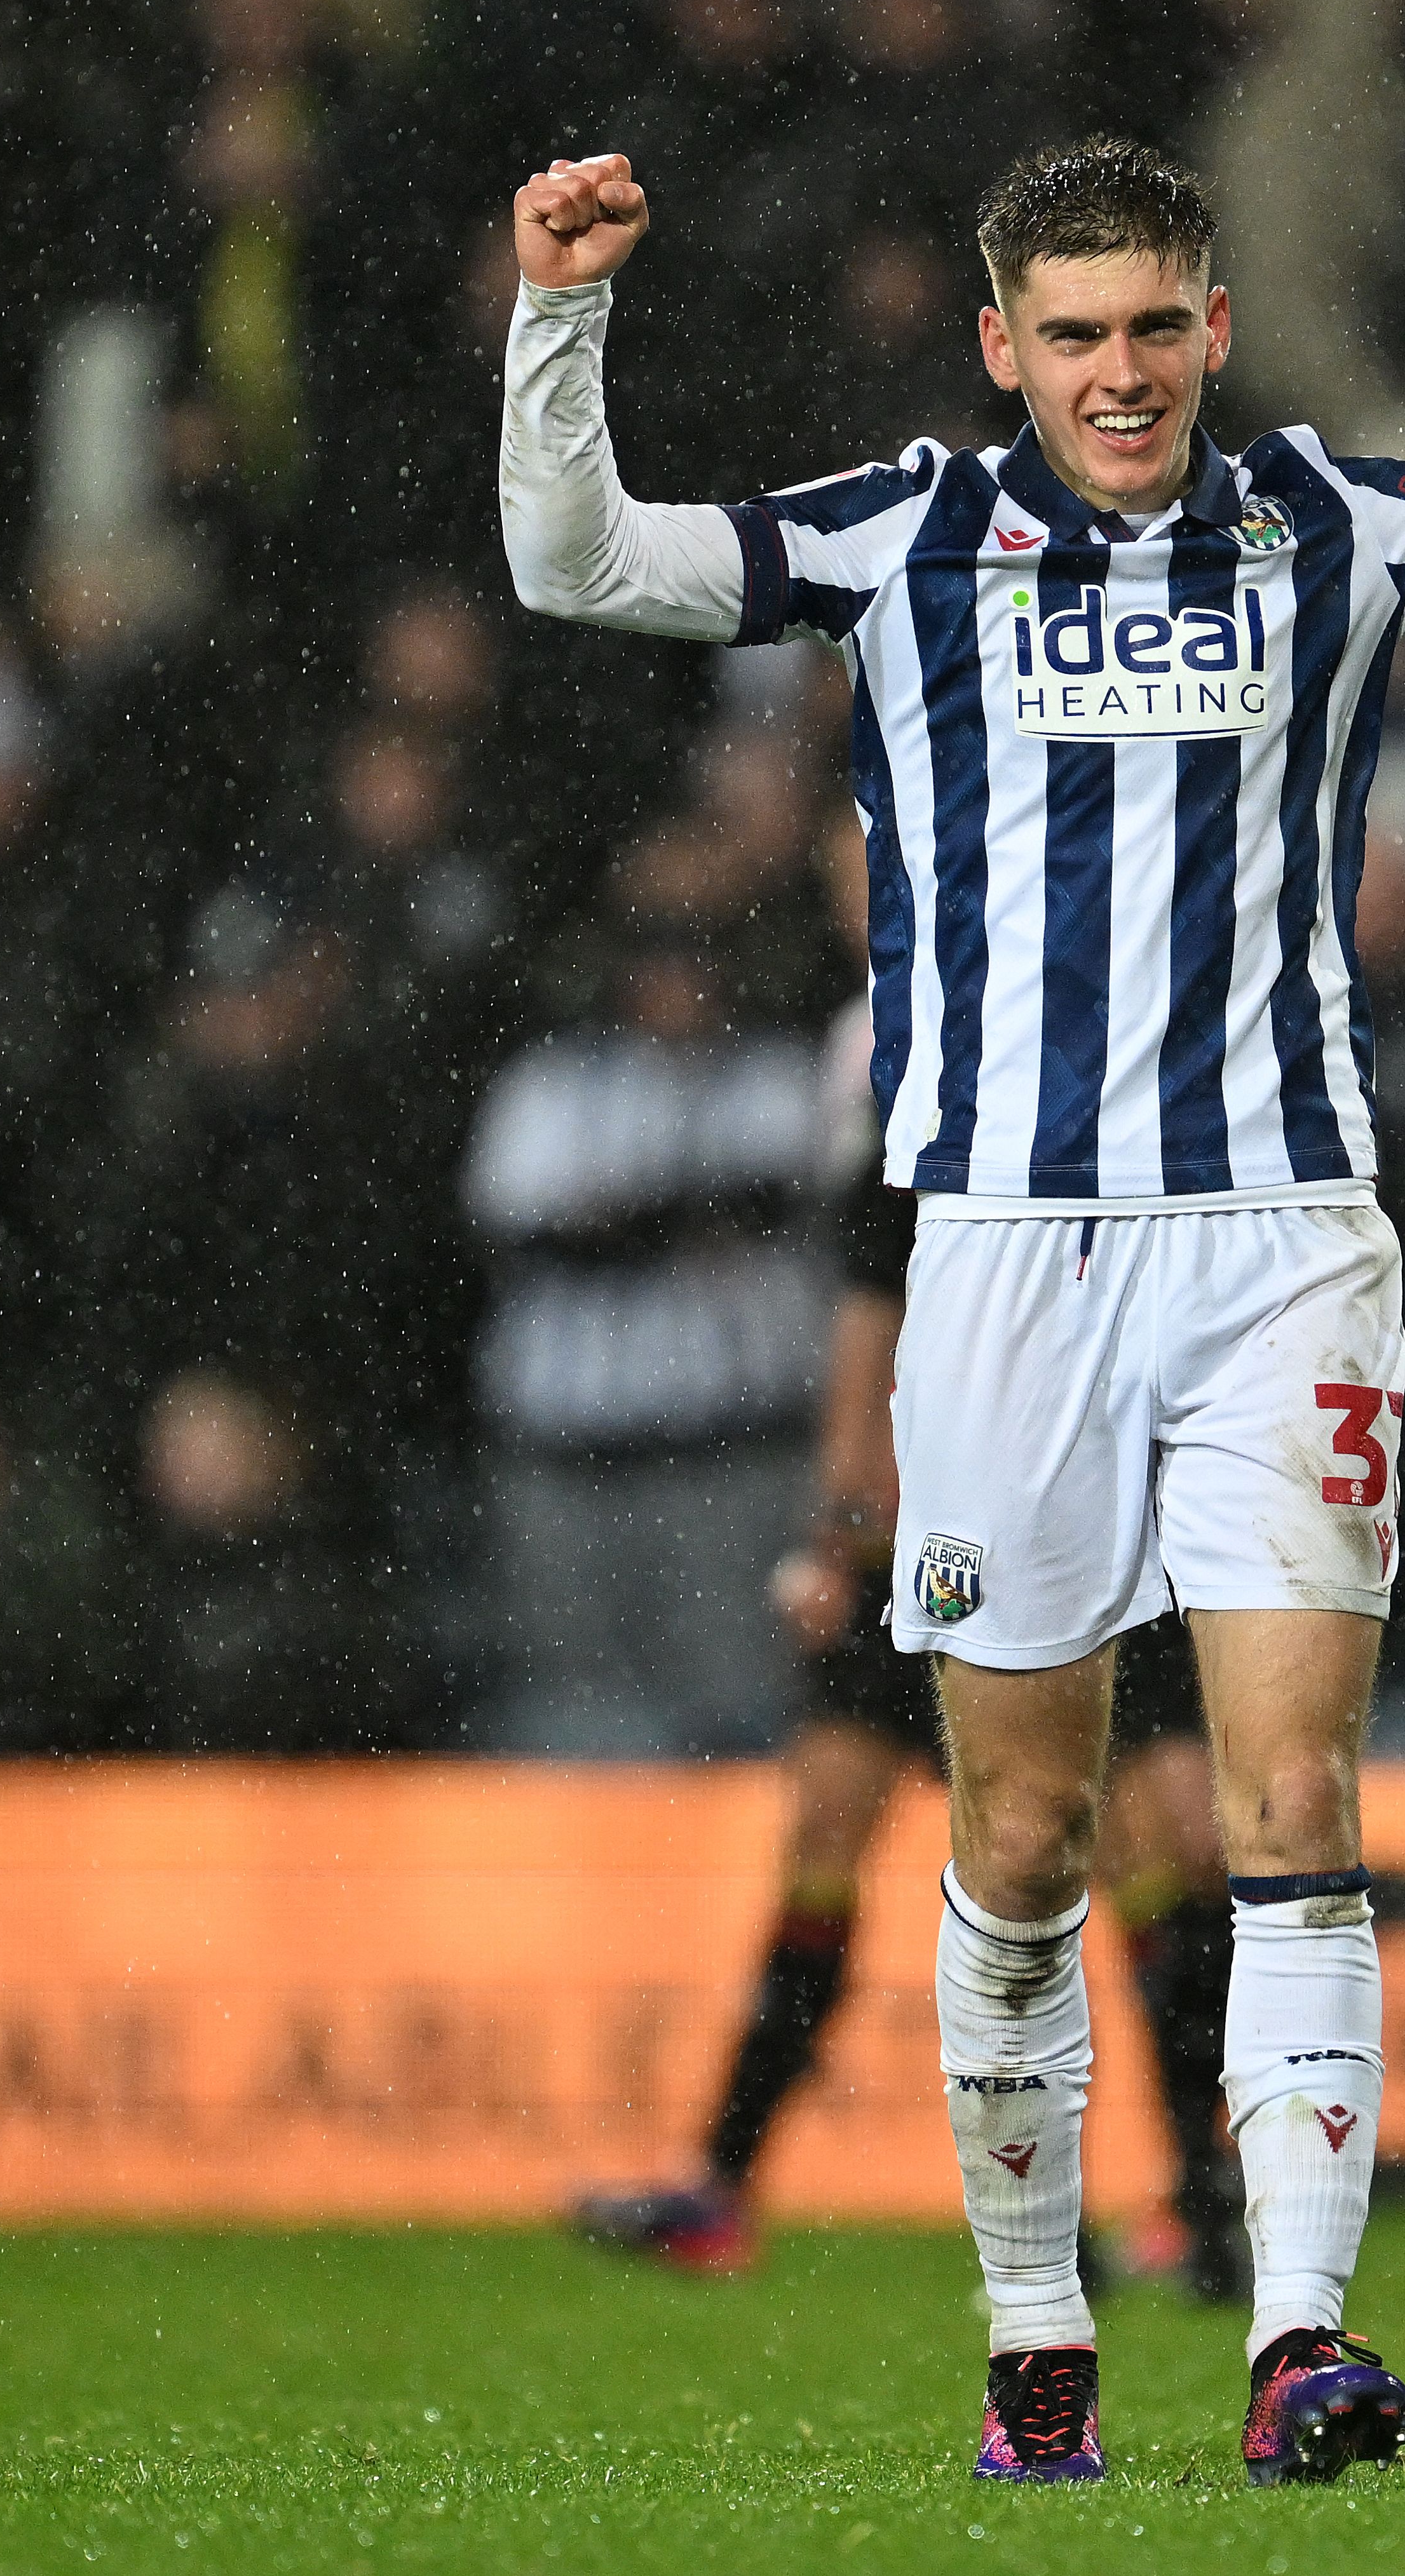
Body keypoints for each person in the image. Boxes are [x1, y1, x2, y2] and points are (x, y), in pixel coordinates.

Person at [504, 120, 1405, 2483]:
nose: (1119, 375)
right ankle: (1037, 2336)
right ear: (997, 346)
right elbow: (577, 561)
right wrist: (560, 320)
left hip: (1276, 1246)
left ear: (1213, 328)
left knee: (1289, 1789)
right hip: (999, 1256)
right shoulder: (897, 535)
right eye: (1075, 335)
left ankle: (1295, 2340)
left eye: (1155, 328)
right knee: (1019, 1843)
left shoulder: (1323, 523)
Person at [578, 908, 1249, 2298]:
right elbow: (867, 1307)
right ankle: (726, 2180)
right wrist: (842, 1523)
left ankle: (1197, 2203)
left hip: (1086, 1512)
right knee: (871, 1818)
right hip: (937, 1524)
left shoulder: (1127, 1104)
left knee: (1134, 1839)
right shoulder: (921, 1091)